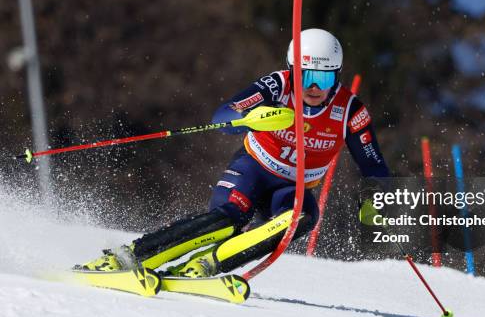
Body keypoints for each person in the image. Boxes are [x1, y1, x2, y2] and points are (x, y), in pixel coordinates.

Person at [81, 28, 390, 277]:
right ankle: (132, 255)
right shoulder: (277, 87)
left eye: (323, 78)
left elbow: (373, 166)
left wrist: (381, 205)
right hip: (253, 169)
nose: (313, 87)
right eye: (305, 76)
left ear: (337, 76)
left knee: (303, 217)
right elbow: (223, 116)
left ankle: (209, 264)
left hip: (292, 187)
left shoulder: (350, 110)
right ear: (291, 70)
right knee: (228, 220)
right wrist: (251, 119)